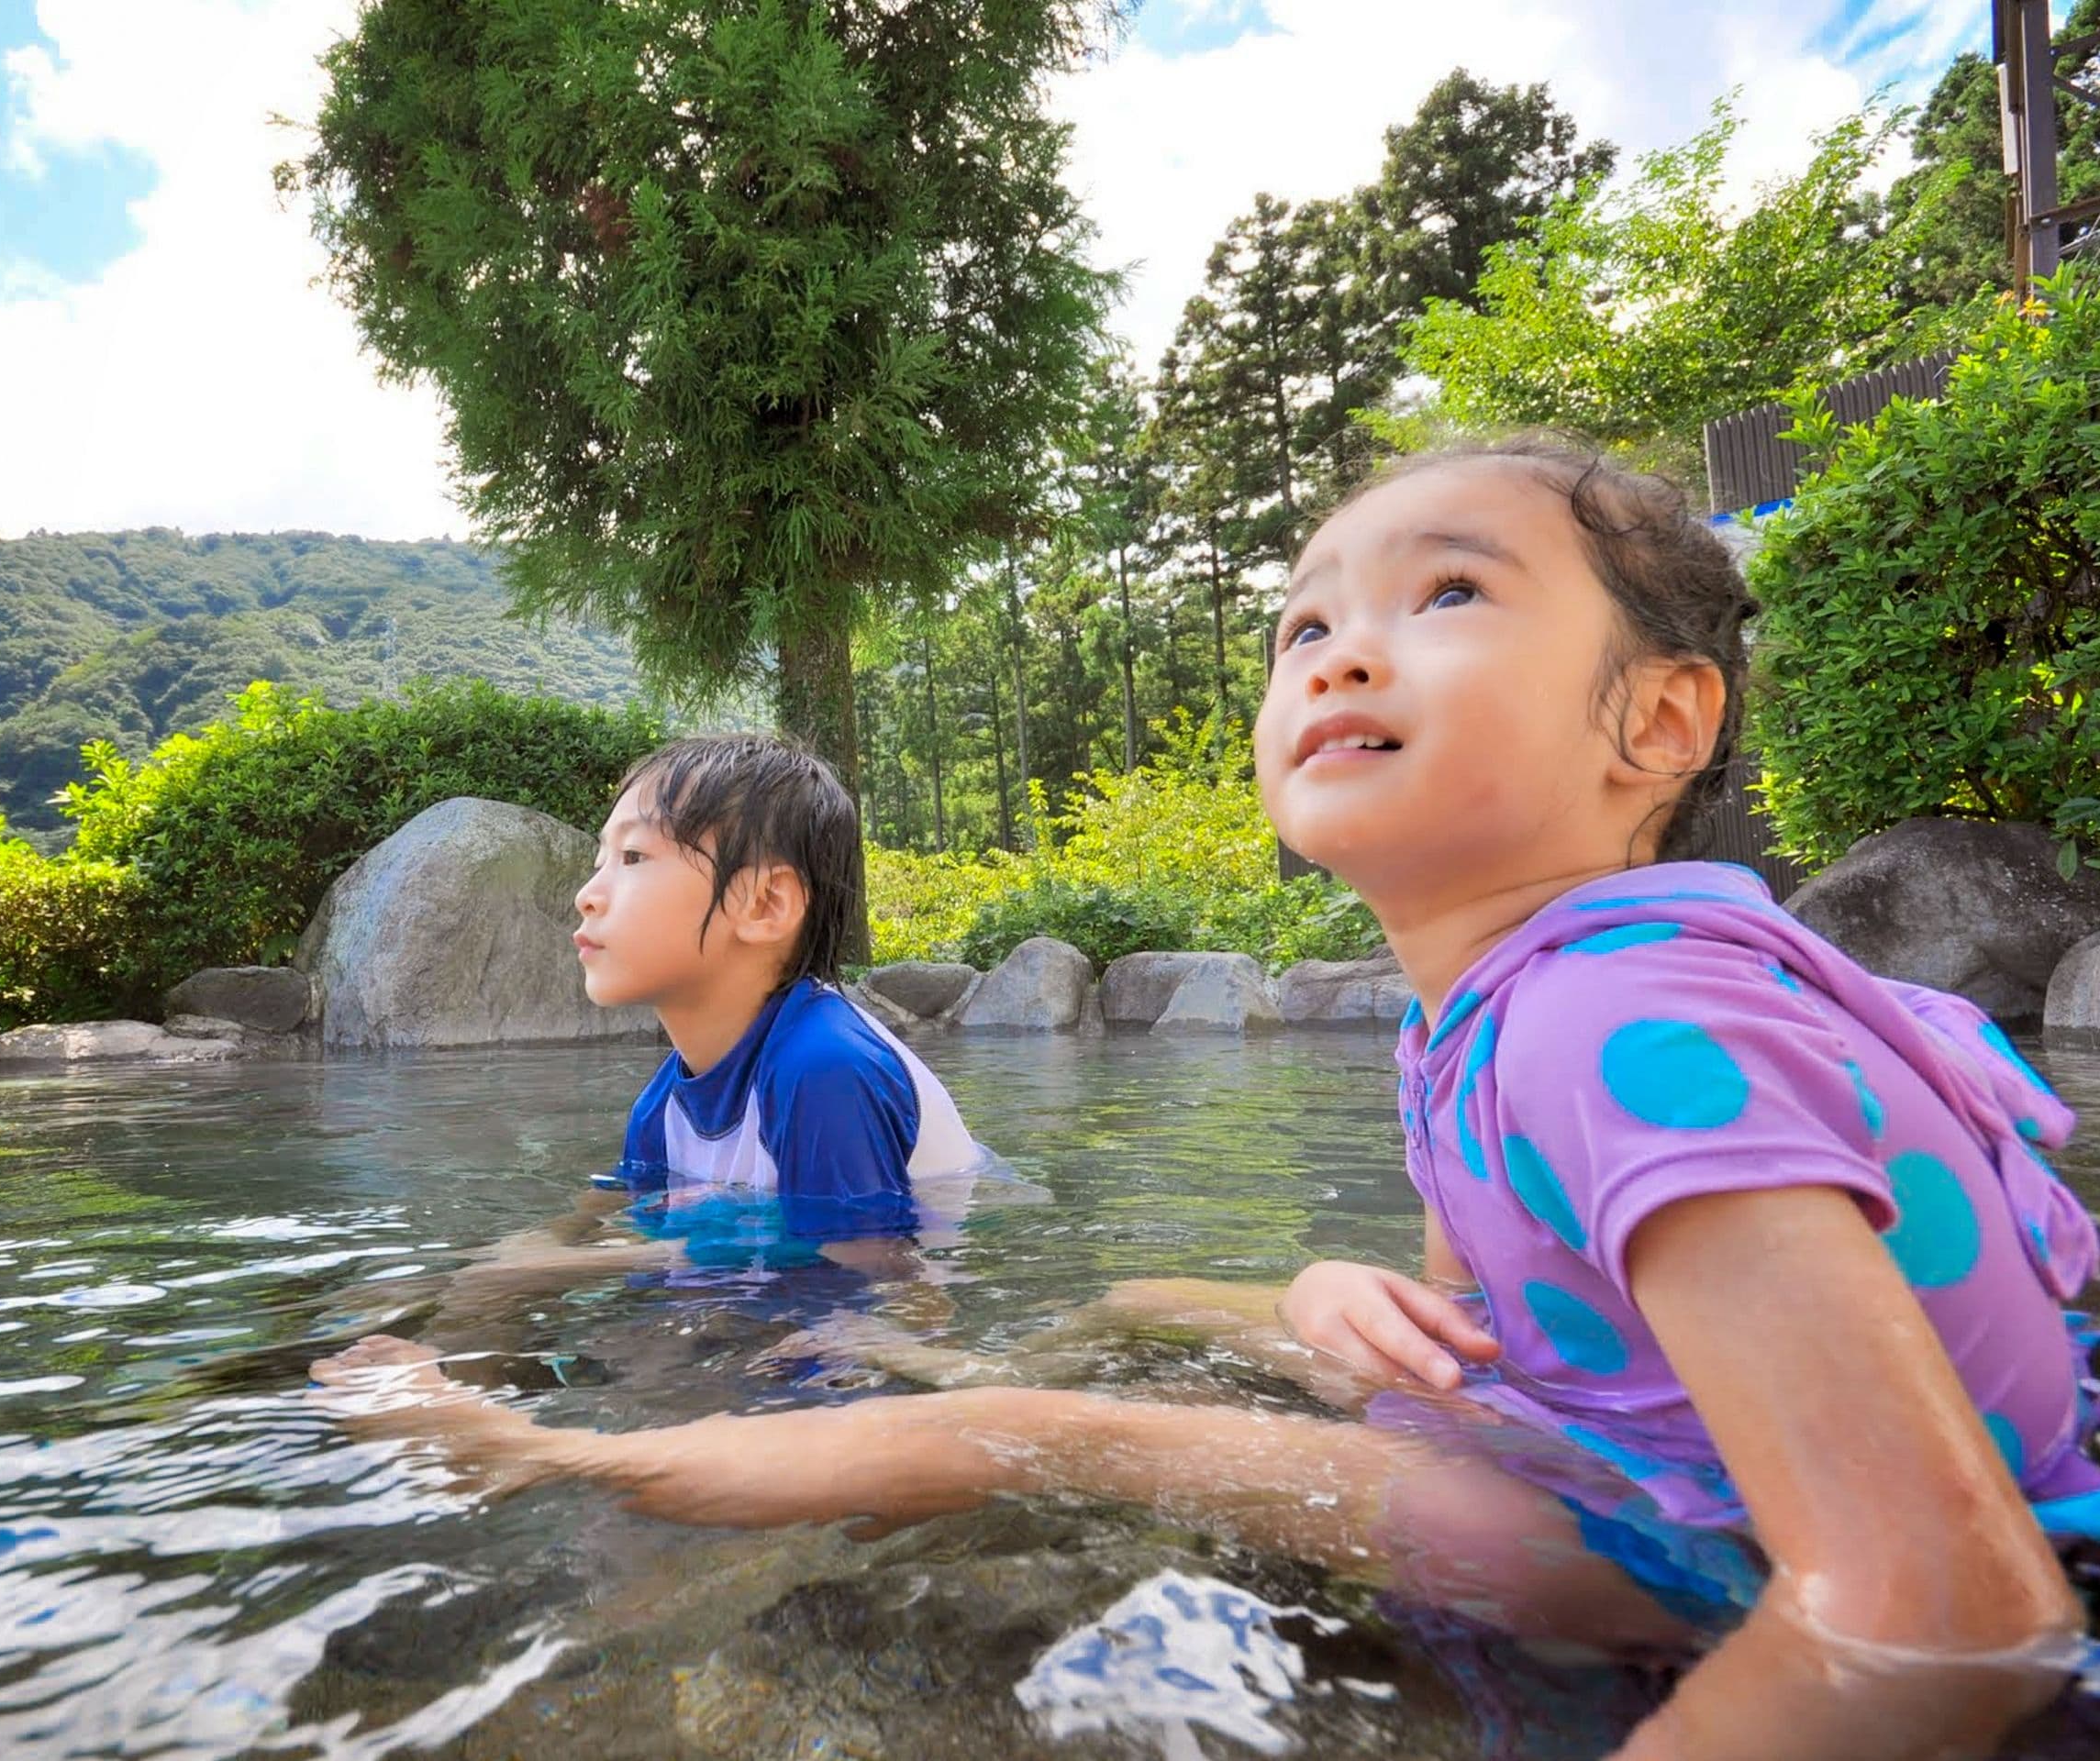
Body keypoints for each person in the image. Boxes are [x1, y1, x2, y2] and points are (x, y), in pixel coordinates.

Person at [316, 439, 2100, 1759]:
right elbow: (1491, 1331)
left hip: (1711, 1544)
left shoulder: (1617, 1019)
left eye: (1449, 593)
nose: (1334, 650)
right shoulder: (1495, 1013)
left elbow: (1950, 1608)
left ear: (1658, 722)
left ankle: (550, 1453)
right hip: (1636, 1440)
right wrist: (1328, 1296)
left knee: (1053, 1429)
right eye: (1302, 622)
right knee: (1154, 1309)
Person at [340, 733, 989, 1352]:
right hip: (782, 1292)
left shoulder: (824, 1067)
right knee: (489, 1304)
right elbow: (614, 1209)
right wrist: (484, 1269)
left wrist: (549, 1273)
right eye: (600, 861)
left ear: (765, 904)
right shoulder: (664, 1106)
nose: (587, 895)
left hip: (874, 1314)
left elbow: (883, 1290)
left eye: (632, 858)